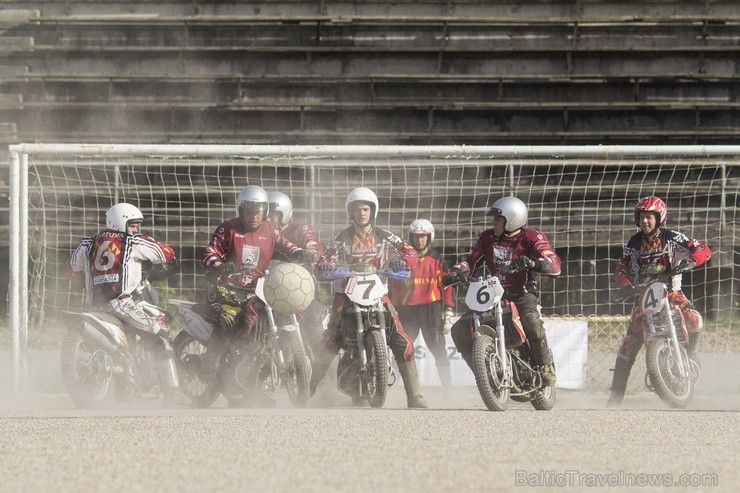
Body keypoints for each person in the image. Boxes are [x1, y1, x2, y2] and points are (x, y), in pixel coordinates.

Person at [310, 187, 429, 408]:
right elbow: (322, 261)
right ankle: (308, 389)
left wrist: (403, 262)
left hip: (378, 295)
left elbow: (410, 252)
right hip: (346, 296)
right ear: (351, 212)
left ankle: (415, 396)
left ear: (372, 211)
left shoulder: (385, 236)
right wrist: (325, 266)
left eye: (365, 209)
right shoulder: (341, 239)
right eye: (357, 209)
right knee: (329, 341)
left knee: (403, 340)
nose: (362, 213)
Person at [200, 185, 313, 406]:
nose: (254, 216)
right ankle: (208, 367)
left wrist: (300, 253)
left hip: (257, 289)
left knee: (259, 334)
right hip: (226, 289)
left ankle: (251, 386)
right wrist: (219, 266)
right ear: (241, 210)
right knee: (229, 321)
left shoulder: (270, 230)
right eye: (250, 211)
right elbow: (209, 252)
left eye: (259, 211)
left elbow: (286, 244)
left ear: (265, 212)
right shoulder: (228, 229)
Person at [66, 202, 183, 405]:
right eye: (132, 225)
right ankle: (172, 394)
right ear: (120, 223)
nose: (135, 230)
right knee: (161, 335)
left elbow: (70, 269)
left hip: (95, 306)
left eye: (136, 226)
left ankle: (125, 391)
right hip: (121, 303)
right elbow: (166, 253)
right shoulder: (133, 242)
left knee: (126, 342)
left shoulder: (87, 244)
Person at [442, 196, 561, 386]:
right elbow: (470, 260)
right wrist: (457, 271)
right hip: (494, 292)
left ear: (512, 219)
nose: (493, 222)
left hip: (523, 293)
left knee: (530, 319)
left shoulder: (532, 237)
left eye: (498, 219)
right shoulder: (486, 237)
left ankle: (545, 365)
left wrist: (532, 262)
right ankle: (483, 375)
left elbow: (553, 263)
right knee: (459, 330)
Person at [607, 196, 712, 407]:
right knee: (628, 345)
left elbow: (703, 249)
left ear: (659, 218)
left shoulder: (672, 238)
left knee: (695, 319)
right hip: (643, 295)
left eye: (649, 217)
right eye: (642, 217)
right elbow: (621, 267)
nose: (645, 221)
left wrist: (691, 262)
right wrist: (625, 283)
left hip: (672, 292)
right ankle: (615, 397)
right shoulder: (633, 243)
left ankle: (690, 355)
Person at [389, 219, 454, 387]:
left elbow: (447, 286)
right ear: (411, 238)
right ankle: (392, 387)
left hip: (430, 309)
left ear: (429, 237)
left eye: (423, 236)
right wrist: (393, 309)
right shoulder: (401, 261)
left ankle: (448, 389)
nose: (419, 240)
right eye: (416, 237)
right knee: (402, 349)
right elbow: (395, 286)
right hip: (406, 310)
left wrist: (448, 311)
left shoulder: (437, 260)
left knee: (439, 349)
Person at [267, 190, 326, 353]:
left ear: (285, 214)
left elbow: (313, 246)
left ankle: (321, 363)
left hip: (299, 288)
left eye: (273, 215)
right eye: (266, 214)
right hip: (268, 287)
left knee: (313, 321)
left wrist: (308, 254)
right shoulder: (262, 233)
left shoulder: (301, 229)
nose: (268, 218)